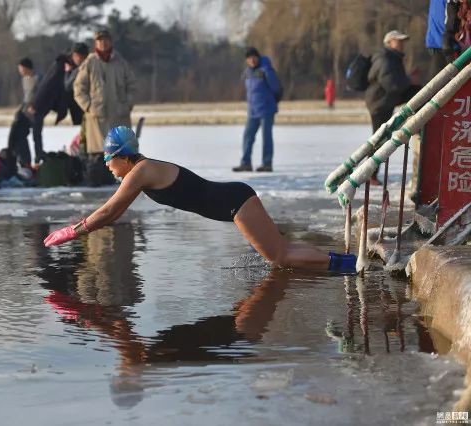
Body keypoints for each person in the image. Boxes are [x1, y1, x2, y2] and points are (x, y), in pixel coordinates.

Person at [44, 126, 356, 272]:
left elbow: (112, 210)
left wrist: (75, 230)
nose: (107, 165)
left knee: (278, 257)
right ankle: (347, 263)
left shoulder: (141, 171)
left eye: (109, 159)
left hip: (236, 202)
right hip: (236, 199)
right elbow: (114, 213)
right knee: (280, 252)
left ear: (123, 156)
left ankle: (349, 266)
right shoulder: (141, 170)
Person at [74, 29, 137, 186]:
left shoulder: (121, 62)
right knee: (97, 161)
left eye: (106, 40)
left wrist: (127, 104)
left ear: (111, 41)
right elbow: (78, 90)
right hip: (97, 120)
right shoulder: (89, 63)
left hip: (119, 118)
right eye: (100, 40)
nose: (103, 43)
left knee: (124, 159)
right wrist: (89, 107)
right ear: (96, 43)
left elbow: (133, 86)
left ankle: (126, 190)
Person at [365, 30, 421, 186]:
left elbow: (395, 82)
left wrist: (409, 80)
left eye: (403, 41)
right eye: (399, 41)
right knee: (379, 139)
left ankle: (372, 174)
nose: (402, 44)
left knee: (381, 138)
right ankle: (370, 174)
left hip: (385, 101)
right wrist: (410, 80)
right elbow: (391, 84)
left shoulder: (393, 58)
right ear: (389, 42)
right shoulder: (385, 58)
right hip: (379, 103)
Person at [233, 47, 280, 173]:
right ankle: (246, 163)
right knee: (247, 137)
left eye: (254, 57)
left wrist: (271, 103)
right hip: (253, 111)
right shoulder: (247, 73)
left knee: (266, 138)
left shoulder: (266, 71)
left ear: (258, 57)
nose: (252, 60)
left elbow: (277, 89)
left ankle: (267, 164)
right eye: (249, 58)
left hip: (266, 110)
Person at [7, 58, 41, 166]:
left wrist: (35, 107)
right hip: (25, 110)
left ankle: (38, 160)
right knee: (17, 131)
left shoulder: (38, 78)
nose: (19, 71)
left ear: (26, 68)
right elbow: (26, 97)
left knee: (36, 136)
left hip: (36, 110)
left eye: (20, 68)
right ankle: (18, 157)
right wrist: (20, 109)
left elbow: (42, 95)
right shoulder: (24, 80)